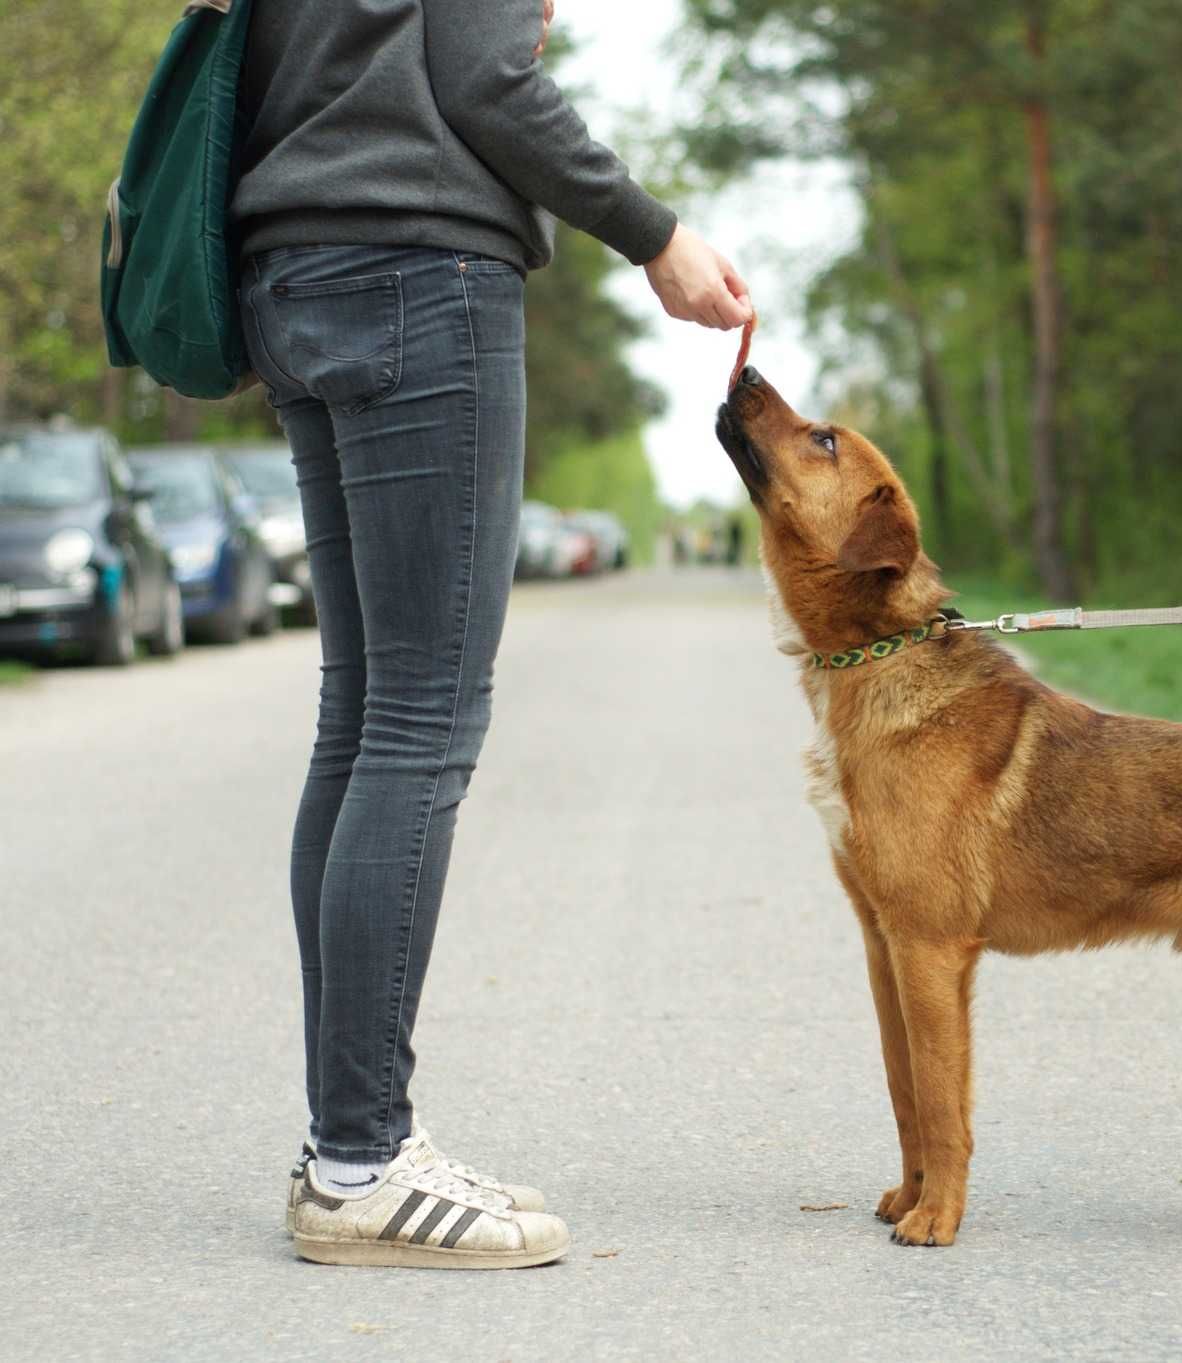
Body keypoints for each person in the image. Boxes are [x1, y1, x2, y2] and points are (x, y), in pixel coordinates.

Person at [234, 0, 750, 1269]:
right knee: (416, 724)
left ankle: (342, 1147)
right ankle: (361, 1162)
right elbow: (484, 81)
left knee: (361, 718)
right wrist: (657, 236)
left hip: (295, 274)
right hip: (418, 277)